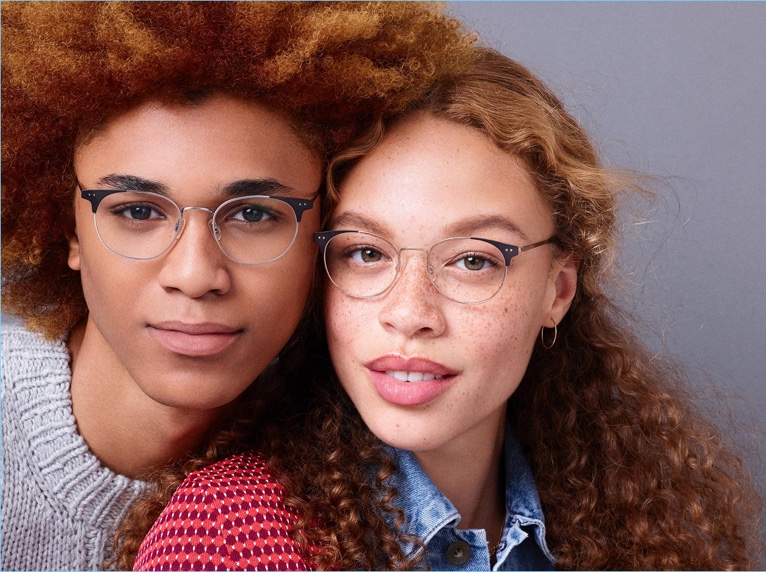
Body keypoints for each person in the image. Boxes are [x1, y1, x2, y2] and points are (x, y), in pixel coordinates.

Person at [133, 47, 762, 571]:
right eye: (366, 253)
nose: (409, 314)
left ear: (558, 291)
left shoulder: (629, 522)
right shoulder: (226, 540)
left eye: (472, 260)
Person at [0, 2, 474, 569]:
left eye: (253, 215)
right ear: (67, 228)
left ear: (328, 229)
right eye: (136, 211)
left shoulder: (364, 474)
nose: (195, 276)